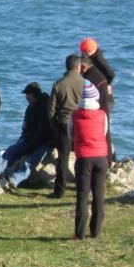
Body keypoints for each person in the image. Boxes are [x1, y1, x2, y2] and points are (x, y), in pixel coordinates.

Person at [70, 81, 109, 239]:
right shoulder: (102, 115)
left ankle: (80, 233)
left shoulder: (74, 115)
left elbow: (70, 133)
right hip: (101, 157)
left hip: (84, 158)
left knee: (82, 195)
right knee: (99, 195)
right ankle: (96, 231)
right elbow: (104, 132)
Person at [0, 82, 54, 190]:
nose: (27, 98)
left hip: (44, 142)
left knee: (29, 162)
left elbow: (45, 130)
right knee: (11, 150)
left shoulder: (46, 108)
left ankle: (14, 180)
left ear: (35, 95)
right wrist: (24, 138)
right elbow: (25, 127)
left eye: (29, 95)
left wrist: (31, 141)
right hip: (29, 139)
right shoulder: (30, 108)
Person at [48, 54, 84, 198]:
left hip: (63, 123)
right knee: (82, 157)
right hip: (82, 124)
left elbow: (51, 109)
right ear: (78, 67)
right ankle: (82, 187)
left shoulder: (58, 84)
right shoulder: (86, 83)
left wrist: (53, 124)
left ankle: (60, 190)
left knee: (63, 158)